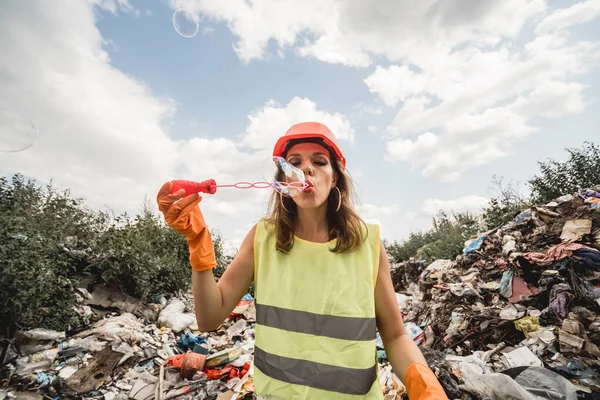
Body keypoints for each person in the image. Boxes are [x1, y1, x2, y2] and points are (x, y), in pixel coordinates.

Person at [157, 122, 448, 399]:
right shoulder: (263, 238)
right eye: (293, 163)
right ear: (283, 180)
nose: (306, 168)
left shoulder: (367, 242)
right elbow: (209, 318)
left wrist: (425, 384)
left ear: (335, 177)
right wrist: (198, 244)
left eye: (319, 162)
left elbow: (396, 337)